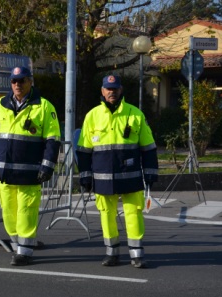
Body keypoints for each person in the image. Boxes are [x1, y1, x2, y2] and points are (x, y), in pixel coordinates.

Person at [0, 66, 61, 266]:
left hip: (30, 173)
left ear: (30, 81)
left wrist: (48, 166)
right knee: (9, 212)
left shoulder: (43, 106)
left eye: (22, 80)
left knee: (26, 211)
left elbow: (52, 140)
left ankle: (24, 251)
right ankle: (19, 245)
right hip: (4, 172)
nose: (17, 84)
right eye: (14, 81)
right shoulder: (0, 105)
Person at [76, 75, 158, 268]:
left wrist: (151, 172)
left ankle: (137, 255)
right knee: (106, 214)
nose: (111, 92)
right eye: (108, 89)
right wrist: (85, 175)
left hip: (131, 176)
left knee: (134, 213)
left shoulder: (135, 114)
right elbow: (84, 151)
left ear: (121, 90)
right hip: (103, 177)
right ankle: (111, 253)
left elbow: (148, 147)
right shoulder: (92, 116)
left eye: (115, 88)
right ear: (102, 91)